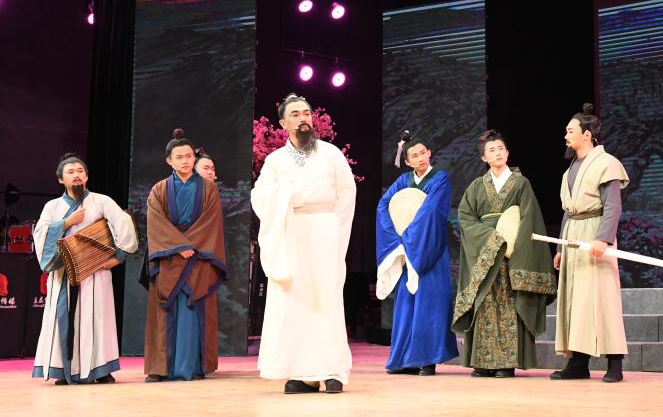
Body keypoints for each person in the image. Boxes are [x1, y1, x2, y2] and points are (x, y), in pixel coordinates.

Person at [252, 94, 356, 394]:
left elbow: (346, 194)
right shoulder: (275, 161)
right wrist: (286, 195)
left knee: (326, 297)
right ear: (283, 123)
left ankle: (332, 371)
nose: (303, 119)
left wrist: (336, 231)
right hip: (291, 230)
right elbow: (259, 196)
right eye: (295, 114)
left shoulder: (331, 154)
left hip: (324, 228)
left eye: (307, 113)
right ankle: (301, 373)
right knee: (294, 300)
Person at [452, 130, 556, 377]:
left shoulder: (521, 183)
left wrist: (513, 245)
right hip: (485, 254)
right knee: (484, 304)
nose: (497, 153)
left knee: (509, 303)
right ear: (484, 158)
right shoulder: (476, 187)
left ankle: (506, 363)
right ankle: (482, 362)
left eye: (501, 149)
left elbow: (530, 219)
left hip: (513, 253)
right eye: (492, 150)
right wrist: (491, 238)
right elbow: (465, 218)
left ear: (507, 153)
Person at [32, 154, 138, 384]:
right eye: (70, 172)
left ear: (87, 176)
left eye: (80, 171)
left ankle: (101, 369)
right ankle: (63, 370)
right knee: (62, 319)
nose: (77, 175)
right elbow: (40, 235)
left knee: (97, 319)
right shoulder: (52, 207)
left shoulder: (101, 201)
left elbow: (123, 223)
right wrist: (66, 223)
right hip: (62, 274)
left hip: (95, 272)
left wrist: (119, 256)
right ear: (61, 179)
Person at [552, 104, 630, 382]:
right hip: (573, 234)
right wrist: (561, 247)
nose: (566, 136)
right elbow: (568, 211)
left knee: (603, 298)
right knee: (575, 299)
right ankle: (578, 362)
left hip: (595, 232)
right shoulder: (570, 170)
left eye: (570, 131)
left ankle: (615, 363)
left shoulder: (606, 163)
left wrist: (603, 238)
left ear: (587, 134)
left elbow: (613, 206)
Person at [143, 129, 227, 382]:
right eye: (179, 157)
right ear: (169, 160)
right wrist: (179, 246)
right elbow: (155, 222)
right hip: (169, 256)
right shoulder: (159, 190)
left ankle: (192, 365)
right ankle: (161, 368)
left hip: (198, 256)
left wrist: (190, 246)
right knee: (164, 310)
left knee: (194, 305)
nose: (185, 161)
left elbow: (211, 222)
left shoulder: (209, 190)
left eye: (189, 156)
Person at [375, 135, 458, 375]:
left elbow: (431, 212)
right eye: (414, 156)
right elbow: (384, 205)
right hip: (408, 250)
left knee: (430, 303)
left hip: (431, 249)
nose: (420, 158)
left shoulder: (440, 178)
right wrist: (397, 240)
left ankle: (428, 359)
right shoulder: (403, 181)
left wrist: (410, 238)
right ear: (407, 162)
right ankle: (405, 360)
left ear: (429, 153)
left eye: (423, 153)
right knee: (407, 304)